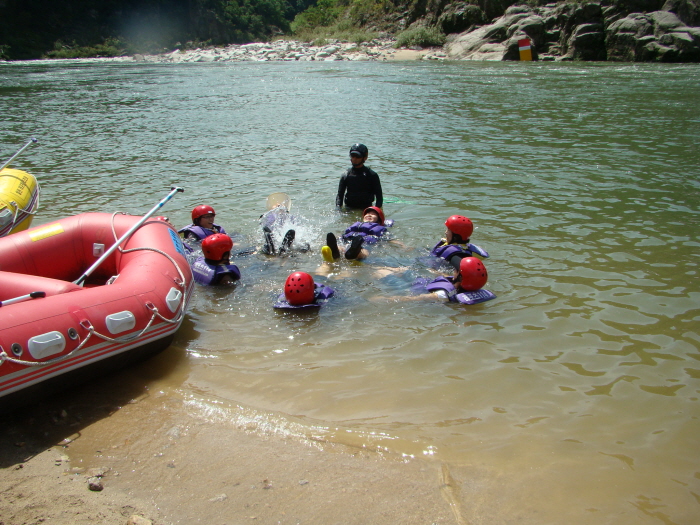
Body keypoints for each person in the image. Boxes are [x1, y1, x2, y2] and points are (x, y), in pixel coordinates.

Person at [411, 256, 495, 305]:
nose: (453, 271)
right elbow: (448, 277)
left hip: (417, 284)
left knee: (405, 272)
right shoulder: (470, 286)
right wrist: (433, 271)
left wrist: (398, 298)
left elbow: (418, 298)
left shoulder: (443, 294)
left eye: (456, 270)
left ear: (460, 277)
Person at [322, 206, 391, 261]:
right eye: (367, 214)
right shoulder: (357, 224)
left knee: (364, 251)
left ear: (379, 220)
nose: (369, 215)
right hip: (348, 239)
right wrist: (337, 237)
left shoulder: (380, 228)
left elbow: (389, 239)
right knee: (341, 247)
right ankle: (335, 251)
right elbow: (345, 234)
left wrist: (400, 244)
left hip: (364, 242)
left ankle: (354, 252)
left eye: (373, 214)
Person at [335, 143, 383, 210]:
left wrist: (375, 212)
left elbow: (379, 198)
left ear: (365, 158)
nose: (354, 159)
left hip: (366, 209)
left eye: (358, 156)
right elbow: (340, 196)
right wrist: (338, 209)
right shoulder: (345, 175)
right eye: (352, 156)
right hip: (349, 209)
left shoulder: (372, 175)